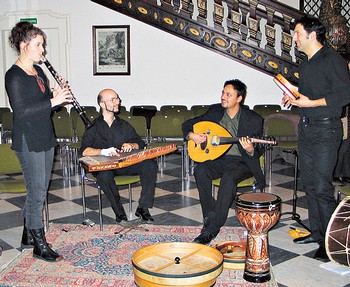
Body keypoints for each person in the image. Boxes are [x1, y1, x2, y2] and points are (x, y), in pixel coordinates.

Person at [282, 15, 350, 262]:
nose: (294, 38)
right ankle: (317, 232)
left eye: (298, 33)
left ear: (312, 34)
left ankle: (332, 240)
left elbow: (345, 94)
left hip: (325, 130)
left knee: (322, 187)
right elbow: (307, 96)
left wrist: (311, 102)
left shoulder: (333, 59)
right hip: (307, 128)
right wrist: (294, 97)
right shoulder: (306, 64)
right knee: (310, 184)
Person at [5, 22, 73, 262]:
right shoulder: (14, 75)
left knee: (39, 190)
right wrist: (53, 102)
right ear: (24, 46)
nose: (42, 50)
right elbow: (21, 112)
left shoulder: (39, 72)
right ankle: (39, 244)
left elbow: (44, 109)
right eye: (38, 44)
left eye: (42, 44)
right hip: (28, 139)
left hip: (45, 135)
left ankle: (27, 235)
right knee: (37, 193)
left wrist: (56, 96)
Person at [182, 79, 265, 245]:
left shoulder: (254, 119)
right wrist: (191, 135)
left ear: (239, 98)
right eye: (223, 93)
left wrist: (250, 149)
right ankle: (210, 215)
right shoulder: (215, 112)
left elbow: (258, 150)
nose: (223, 97)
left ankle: (211, 229)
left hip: (242, 162)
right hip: (219, 158)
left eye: (228, 94)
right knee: (200, 170)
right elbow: (188, 124)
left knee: (229, 177)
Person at [80, 88, 157, 223]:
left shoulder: (123, 125)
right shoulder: (93, 127)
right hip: (104, 167)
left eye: (117, 99)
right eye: (113, 100)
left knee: (149, 164)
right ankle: (119, 212)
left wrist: (131, 145)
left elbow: (140, 143)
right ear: (102, 104)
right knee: (105, 176)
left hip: (122, 164)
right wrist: (103, 151)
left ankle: (143, 207)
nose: (117, 102)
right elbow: (84, 151)